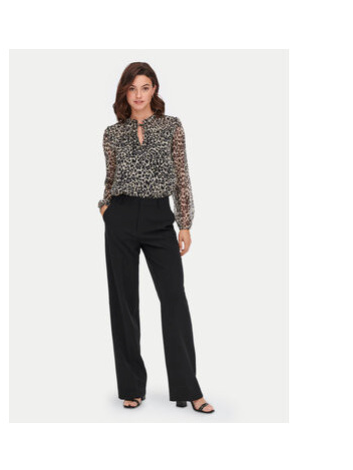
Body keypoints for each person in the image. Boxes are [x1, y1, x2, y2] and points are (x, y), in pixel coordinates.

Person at [98, 62, 215, 414]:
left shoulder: (171, 127)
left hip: (158, 218)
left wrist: (184, 223)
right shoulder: (112, 133)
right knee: (124, 303)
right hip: (120, 217)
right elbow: (110, 177)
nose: (138, 95)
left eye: (145, 87)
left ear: (154, 90)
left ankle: (188, 388)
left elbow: (182, 174)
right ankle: (131, 387)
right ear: (125, 91)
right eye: (132, 88)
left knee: (174, 300)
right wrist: (105, 207)